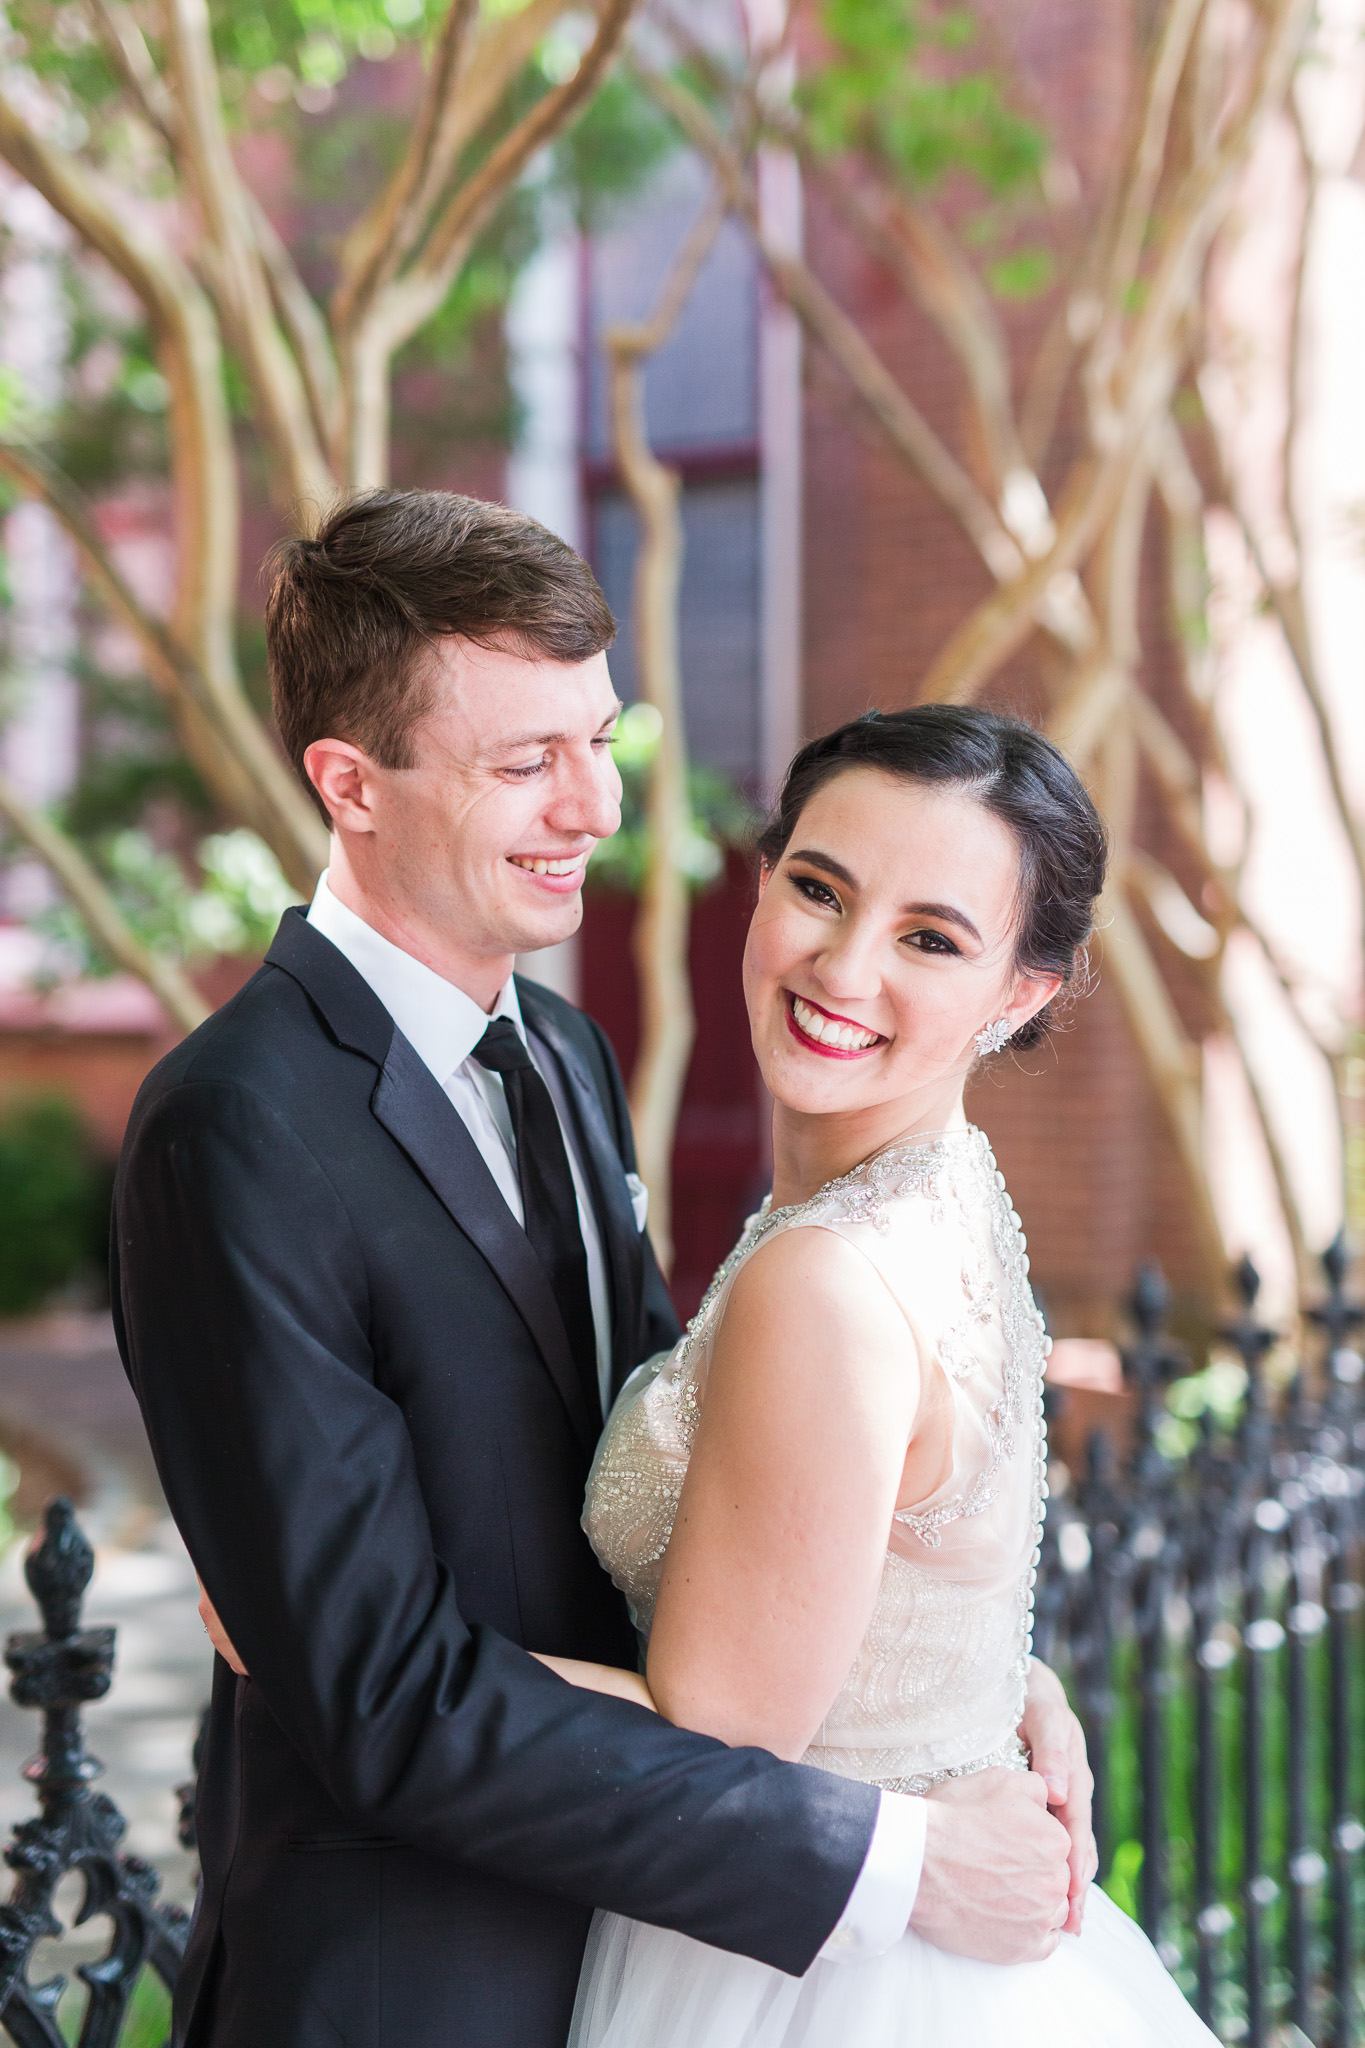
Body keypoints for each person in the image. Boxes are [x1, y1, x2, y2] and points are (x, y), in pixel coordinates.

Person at [113, 491, 1089, 2048]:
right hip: (409, 1980)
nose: (595, 808)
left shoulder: (559, 1051)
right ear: (348, 784)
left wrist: (955, 1694)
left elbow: (673, 1459)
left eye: (598, 739)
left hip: (652, 1938)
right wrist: (886, 1847)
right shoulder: (232, 1125)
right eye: (525, 765)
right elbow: (380, 1700)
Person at [552, 704, 1218, 2047]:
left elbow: (714, 1732)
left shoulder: (832, 1277)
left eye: (929, 939)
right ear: (764, 876)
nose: (841, 968)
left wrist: (347, 1644)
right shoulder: (946, 1192)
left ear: (1021, 991)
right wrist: (995, 1687)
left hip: (816, 1970)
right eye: (816, 889)